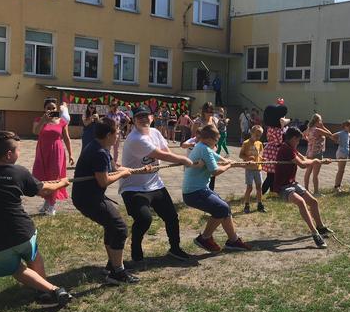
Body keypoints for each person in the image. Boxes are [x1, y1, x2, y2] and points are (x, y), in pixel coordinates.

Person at [0, 131, 72, 306]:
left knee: (16, 269)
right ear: (9, 155)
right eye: (18, 151)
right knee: (33, 254)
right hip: (21, 233)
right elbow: (44, 190)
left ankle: (51, 291)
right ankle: (47, 292)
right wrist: (62, 182)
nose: (19, 154)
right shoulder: (18, 172)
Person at [120, 105, 199, 262]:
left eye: (146, 116)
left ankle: (175, 249)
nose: (143, 119)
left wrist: (183, 157)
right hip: (133, 187)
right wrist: (183, 159)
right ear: (133, 120)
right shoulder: (135, 138)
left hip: (155, 184)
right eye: (139, 117)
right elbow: (159, 154)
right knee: (144, 219)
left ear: (152, 117)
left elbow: (166, 151)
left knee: (171, 216)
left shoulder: (155, 133)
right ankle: (136, 250)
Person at [73, 118, 142, 284]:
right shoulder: (99, 153)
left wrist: (139, 170)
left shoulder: (99, 147)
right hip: (88, 199)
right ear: (109, 134)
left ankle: (112, 265)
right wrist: (122, 175)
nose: (118, 134)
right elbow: (103, 181)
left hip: (89, 196)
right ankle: (117, 272)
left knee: (112, 225)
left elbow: (115, 169)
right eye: (117, 131)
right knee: (120, 228)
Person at [183, 125, 251, 253]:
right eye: (216, 140)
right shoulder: (205, 149)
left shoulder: (202, 146)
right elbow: (215, 171)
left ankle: (233, 240)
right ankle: (204, 238)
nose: (217, 143)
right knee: (222, 208)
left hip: (198, 190)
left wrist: (240, 164)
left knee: (225, 208)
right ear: (209, 138)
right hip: (194, 193)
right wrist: (229, 166)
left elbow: (220, 158)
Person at [273, 127, 333, 248]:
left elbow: (305, 159)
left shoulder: (292, 148)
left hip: (292, 183)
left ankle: (320, 227)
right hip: (283, 187)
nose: (299, 143)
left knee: (313, 202)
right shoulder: (286, 149)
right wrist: (316, 161)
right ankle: (315, 233)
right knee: (301, 202)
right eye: (298, 140)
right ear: (293, 138)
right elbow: (302, 165)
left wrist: (321, 161)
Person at [32, 98, 74, 216]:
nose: (51, 110)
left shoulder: (61, 122)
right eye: (48, 108)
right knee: (42, 177)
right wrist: (43, 121)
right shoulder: (39, 120)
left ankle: (52, 205)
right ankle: (47, 201)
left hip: (57, 152)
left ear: (57, 109)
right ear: (44, 109)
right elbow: (35, 131)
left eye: (53, 108)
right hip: (42, 151)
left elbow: (66, 138)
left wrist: (71, 154)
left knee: (54, 177)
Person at [261, 99, 289, 195]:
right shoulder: (277, 129)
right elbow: (279, 141)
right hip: (274, 152)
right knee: (271, 175)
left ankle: (272, 191)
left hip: (270, 151)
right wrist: (282, 129)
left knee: (272, 174)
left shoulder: (270, 128)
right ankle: (262, 192)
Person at [303, 114, 332, 196]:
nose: (321, 122)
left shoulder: (309, 129)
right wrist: (323, 127)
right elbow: (330, 134)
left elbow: (302, 134)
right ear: (317, 121)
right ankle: (316, 192)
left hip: (309, 152)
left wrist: (308, 140)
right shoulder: (318, 130)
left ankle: (306, 189)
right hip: (317, 153)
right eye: (320, 120)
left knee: (308, 171)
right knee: (315, 174)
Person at [239, 125, 265, 214]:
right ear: (251, 133)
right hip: (249, 169)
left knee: (259, 187)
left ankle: (260, 204)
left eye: (260, 135)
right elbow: (241, 155)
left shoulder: (260, 143)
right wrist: (247, 158)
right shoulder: (246, 143)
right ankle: (246, 204)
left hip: (258, 168)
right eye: (257, 135)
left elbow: (260, 154)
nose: (258, 137)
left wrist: (262, 159)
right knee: (249, 188)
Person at [332, 120, 350, 193]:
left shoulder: (348, 134)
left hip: (345, 153)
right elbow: (332, 136)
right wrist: (337, 141)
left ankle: (338, 186)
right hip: (341, 153)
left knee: (342, 171)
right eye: (349, 126)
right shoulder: (341, 132)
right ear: (345, 126)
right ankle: (336, 186)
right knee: (340, 170)